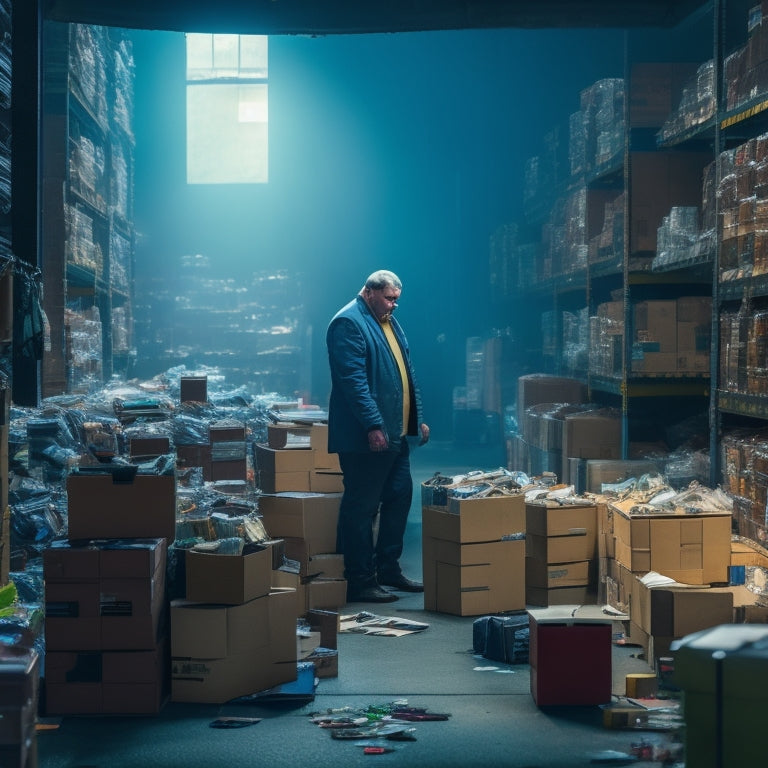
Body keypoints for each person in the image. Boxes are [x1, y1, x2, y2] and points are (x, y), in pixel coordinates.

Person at [326, 269, 430, 603]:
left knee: (400, 496)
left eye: (396, 299)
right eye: (388, 298)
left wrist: (417, 420)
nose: (393, 305)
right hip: (367, 438)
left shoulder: (387, 321)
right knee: (361, 506)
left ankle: (388, 569)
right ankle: (359, 579)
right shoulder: (348, 323)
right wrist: (373, 425)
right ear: (369, 292)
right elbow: (353, 382)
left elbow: (405, 374)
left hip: (395, 435)